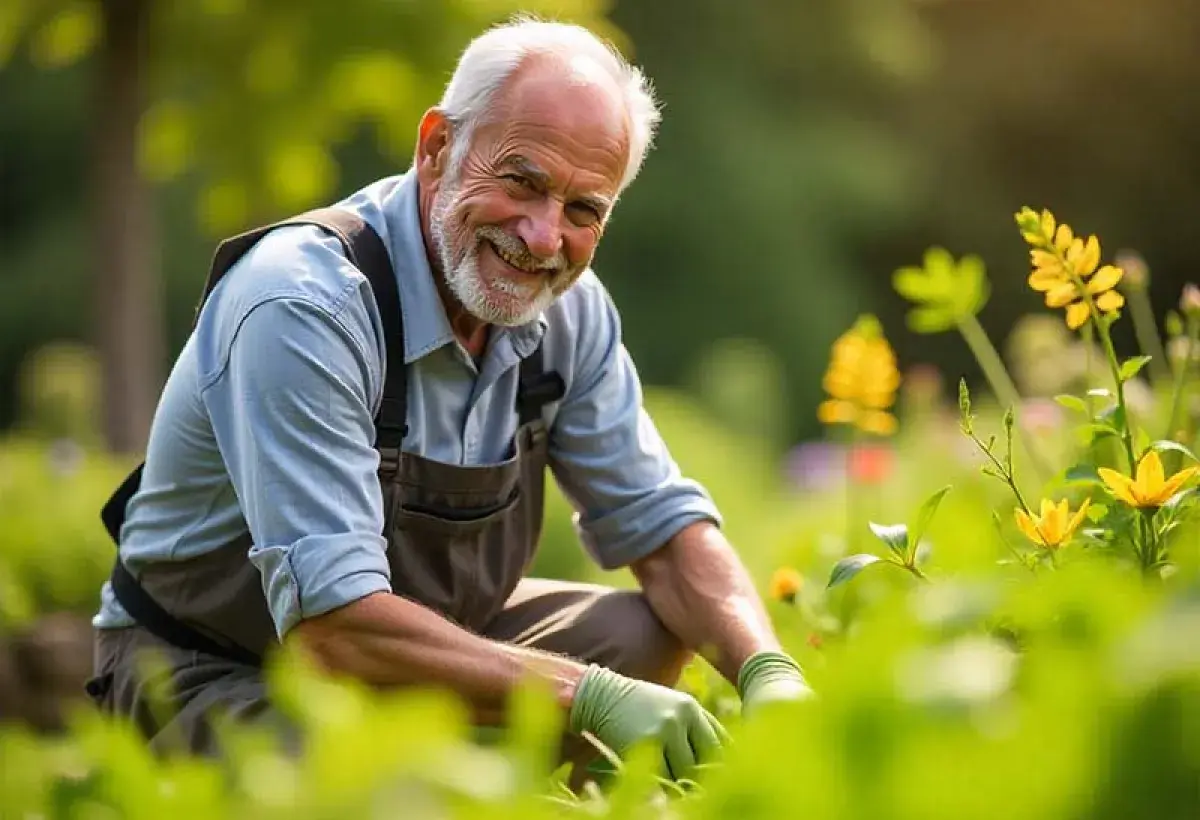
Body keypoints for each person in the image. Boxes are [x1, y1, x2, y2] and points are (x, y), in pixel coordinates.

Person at [86, 16, 811, 783]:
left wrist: (769, 670)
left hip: (411, 659)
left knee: (644, 634)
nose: (541, 238)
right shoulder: (303, 305)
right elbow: (334, 630)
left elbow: (663, 530)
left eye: (581, 210)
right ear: (437, 149)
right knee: (417, 782)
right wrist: (584, 696)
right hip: (213, 674)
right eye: (522, 182)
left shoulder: (570, 309)